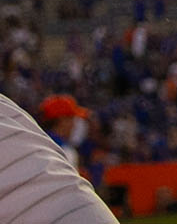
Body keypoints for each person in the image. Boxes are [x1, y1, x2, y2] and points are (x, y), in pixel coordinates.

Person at [1, 92, 118, 223]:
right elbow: (70, 198)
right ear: (62, 121)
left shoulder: (30, 142)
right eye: (72, 119)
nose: (75, 125)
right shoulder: (65, 151)